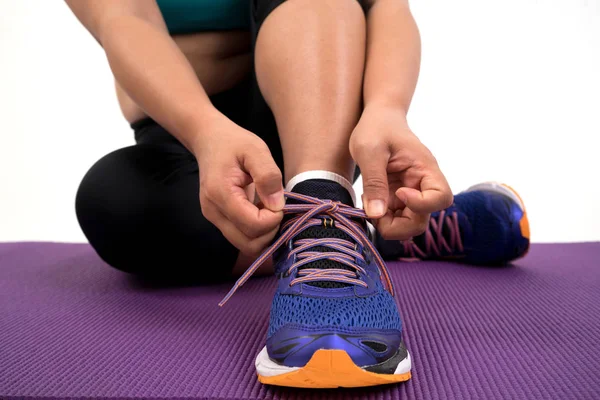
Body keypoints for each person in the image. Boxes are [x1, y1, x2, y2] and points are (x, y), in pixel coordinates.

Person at [67, 0, 530, 389]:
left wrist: (387, 108)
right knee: (114, 204)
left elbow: (387, 6)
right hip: (188, 128)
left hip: (313, 111)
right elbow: (125, 18)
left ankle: (324, 222)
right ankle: (369, 228)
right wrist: (205, 130)